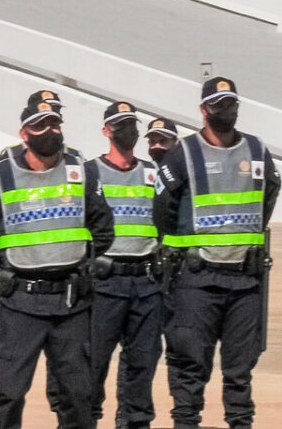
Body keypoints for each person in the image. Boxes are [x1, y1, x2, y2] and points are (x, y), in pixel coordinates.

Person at [0, 97, 114, 429]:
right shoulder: (0, 175)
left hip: (71, 301)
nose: (49, 131)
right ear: (24, 134)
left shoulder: (81, 169)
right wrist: (9, 261)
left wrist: (83, 262)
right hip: (21, 301)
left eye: (54, 124)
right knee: (10, 393)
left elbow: (103, 225)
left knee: (77, 394)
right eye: (40, 126)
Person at [152, 77, 279, 429]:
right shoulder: (185, 153)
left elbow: (270, 192)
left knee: (240, 370)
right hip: (198, 279)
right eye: (219, 103)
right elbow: (163, 209)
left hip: (245, 280)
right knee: (190, 365)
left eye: (232, 103)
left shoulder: (256, 150)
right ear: (204, 109)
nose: (227, 110)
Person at [85, 102, 163, 429]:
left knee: (143, 364)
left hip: (146, 282)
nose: (127, 130)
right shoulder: (89, 172)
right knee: (93, 363)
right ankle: (85, 419)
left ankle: (134, 423)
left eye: (132, 124)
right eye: (120, 125)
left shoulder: (153, 172)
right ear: (106, 131)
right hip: (105, 281)